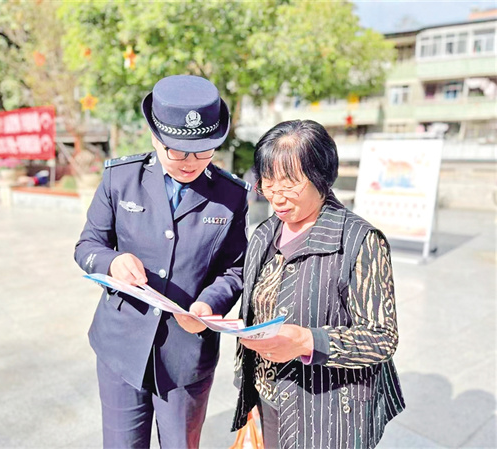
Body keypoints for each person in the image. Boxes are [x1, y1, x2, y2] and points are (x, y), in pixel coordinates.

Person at [74, 75, 250, 448]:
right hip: (121, 347)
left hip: (187, 355)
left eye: (203, 151)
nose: (191, 163)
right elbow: (88, 245)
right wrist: (112, 262)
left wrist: (208, 304)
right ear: (156, 138)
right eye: (178, 152)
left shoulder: (230, 195)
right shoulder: (121, 179)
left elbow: (235, 269)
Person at [231, 120, 405, 448]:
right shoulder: (265, 233)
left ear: (321, 177)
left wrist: (308, 341)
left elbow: (382, 338)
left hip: (328, 413)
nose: (276, 196)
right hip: (269, 399)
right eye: (267, 182)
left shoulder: (358, 240)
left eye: (289, 183)